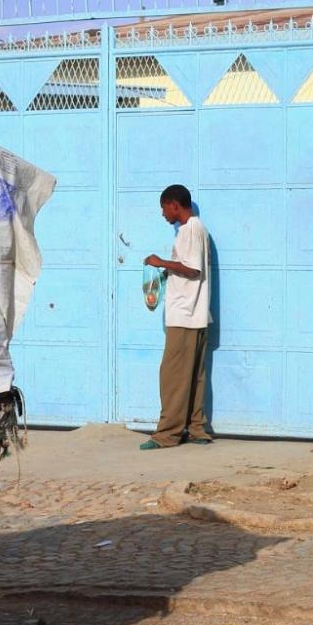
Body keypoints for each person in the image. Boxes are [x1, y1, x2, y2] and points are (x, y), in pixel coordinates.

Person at [139, 184, 213, 449]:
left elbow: (192, 270)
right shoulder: (199, 230)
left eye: (163, 208)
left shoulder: (189, 231)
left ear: (174, 205)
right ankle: (196, 429)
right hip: (196, 314)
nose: (162, 214)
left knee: (172, 375)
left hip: (184, 314)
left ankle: (167, 434)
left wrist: (161, 263)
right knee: (194, 375)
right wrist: (168, 273)